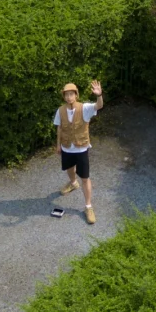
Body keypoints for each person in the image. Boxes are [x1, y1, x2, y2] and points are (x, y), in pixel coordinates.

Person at [54, 79, 103, 224]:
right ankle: (73, 183)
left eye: (71, 94)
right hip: (66, 147)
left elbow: (98, 106)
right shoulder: (60, 110)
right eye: (66, 94)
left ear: (76, 95)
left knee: (85, 177)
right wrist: (58, 145)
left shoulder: (85, 108)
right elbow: (59, 128)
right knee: (69, 169)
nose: (69, 97)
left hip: (81, 148)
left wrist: (99, 95)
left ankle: (88, 207)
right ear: (64, 97)